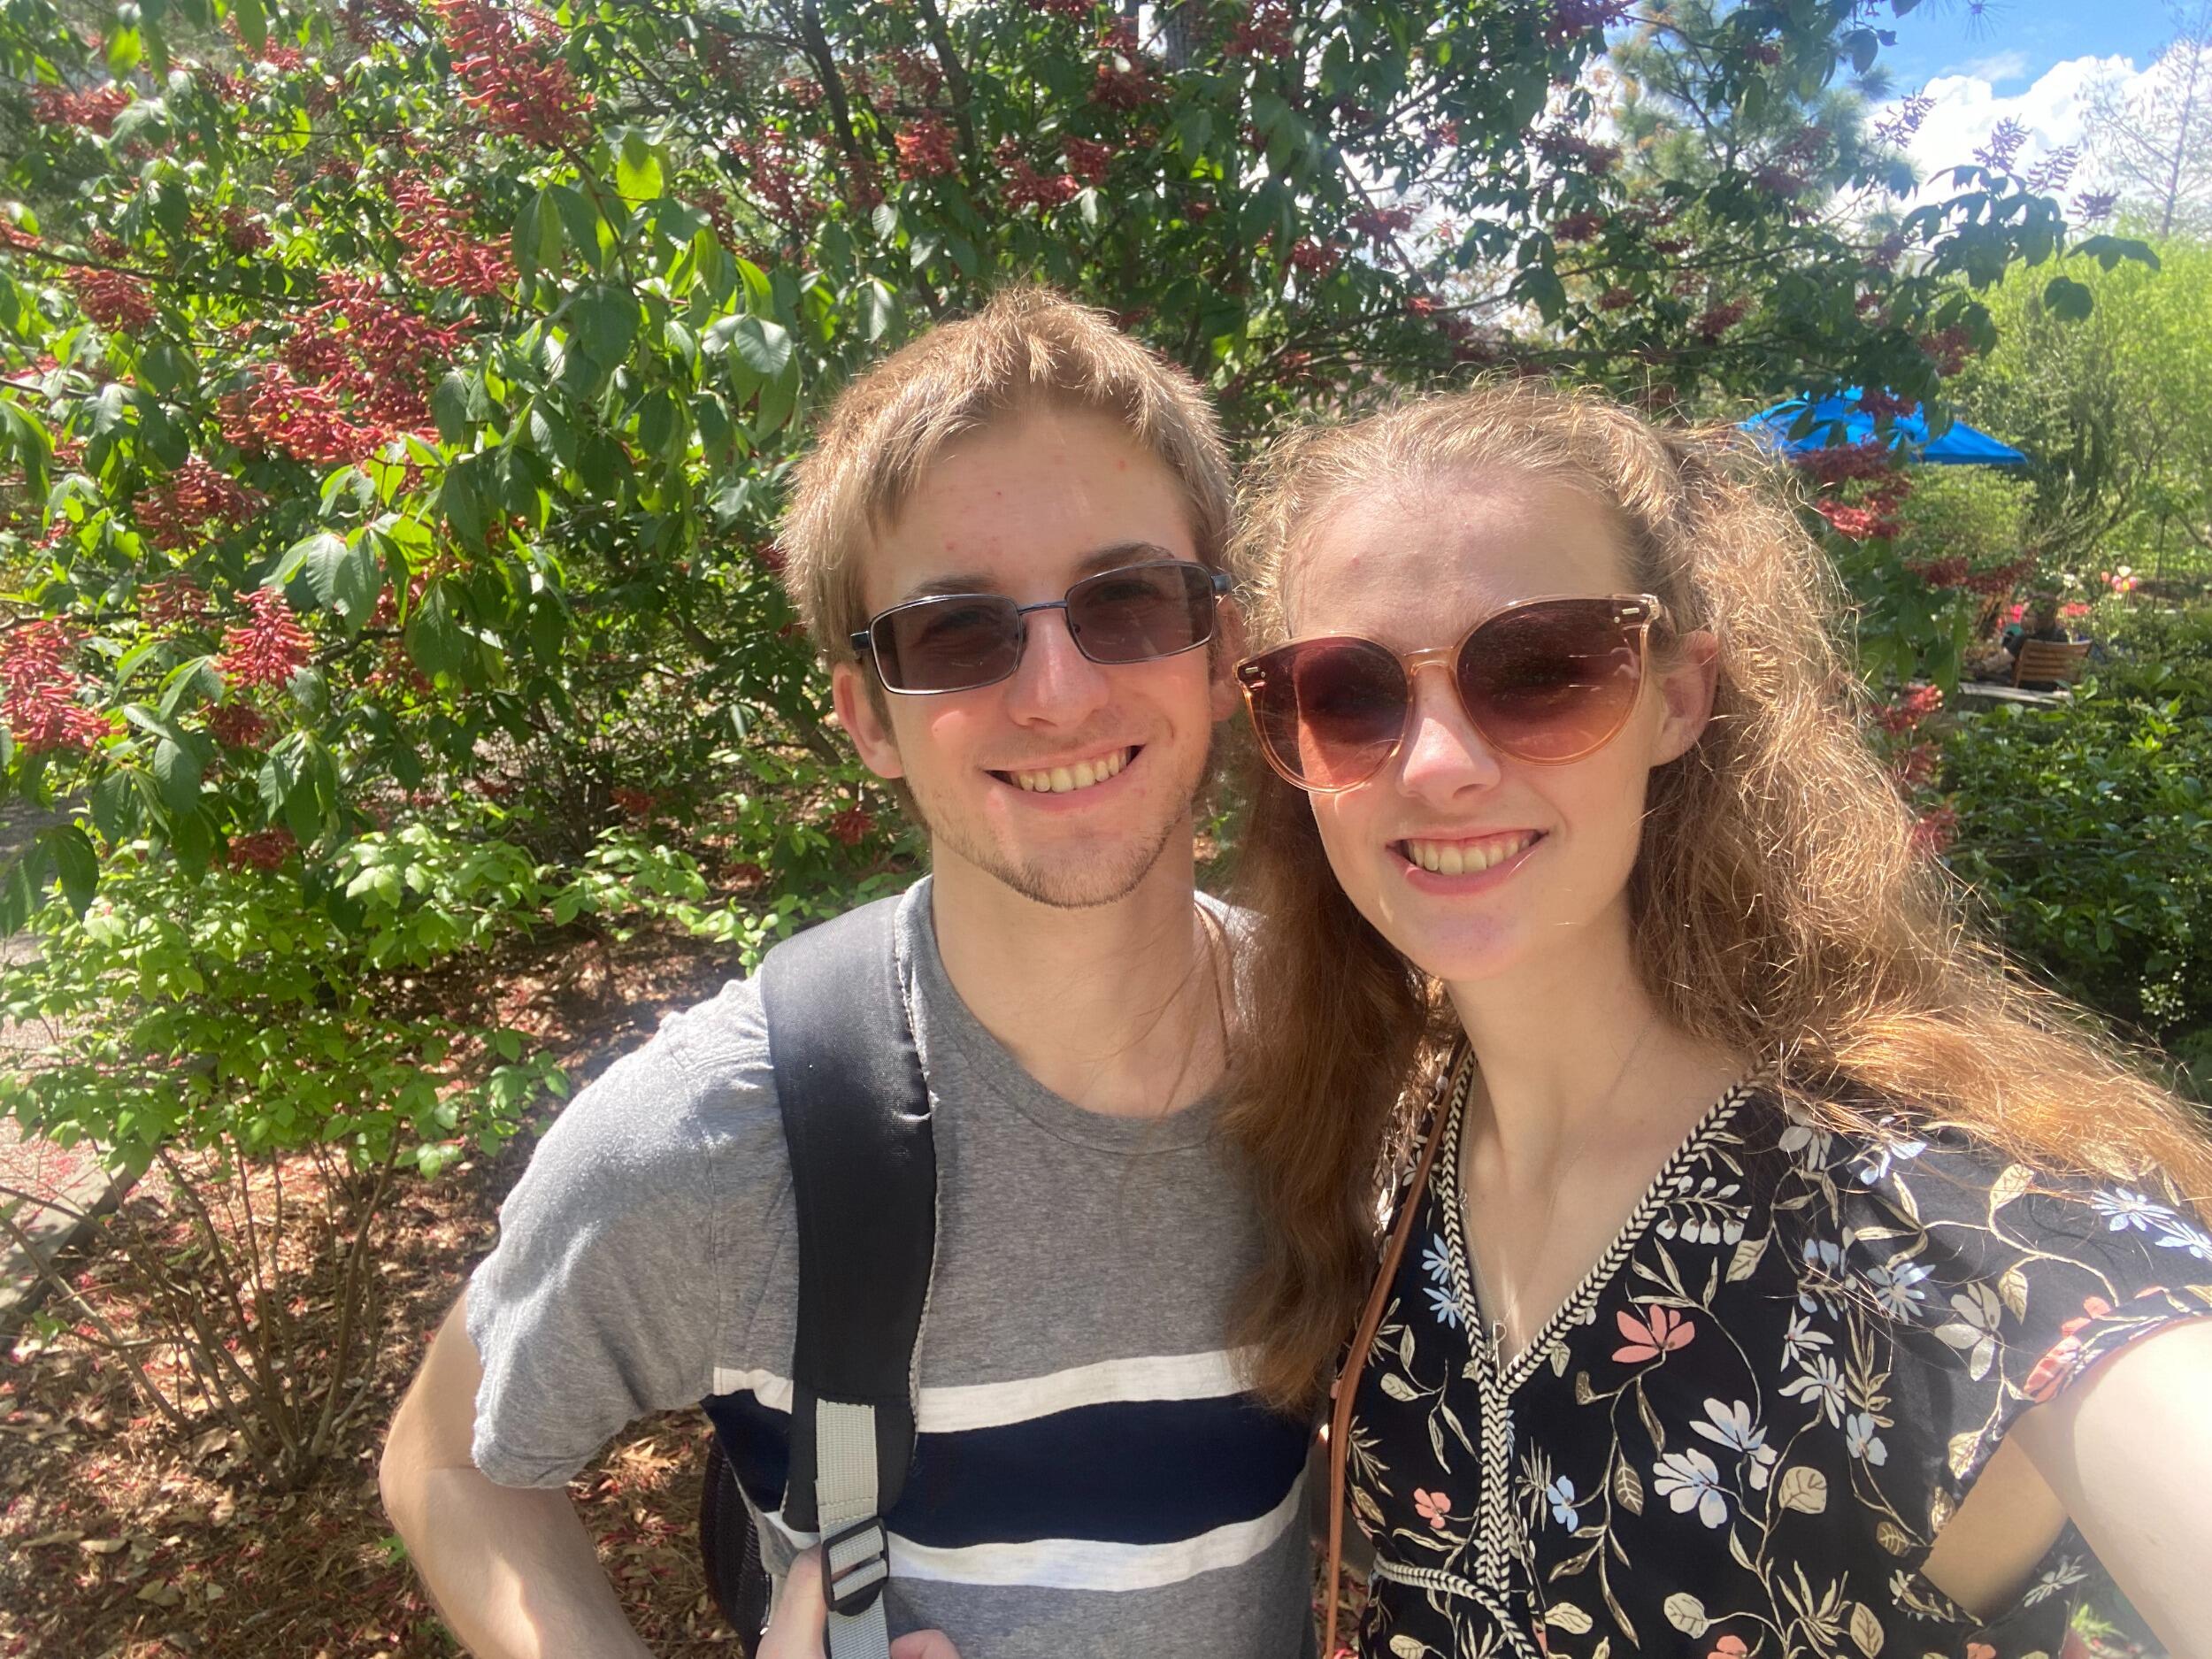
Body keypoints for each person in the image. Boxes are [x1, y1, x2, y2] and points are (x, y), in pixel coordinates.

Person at [377, 289, 1317, 1659]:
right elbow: (448, 1462)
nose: (1056, 691)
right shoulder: (723, 1137)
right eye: (957, 634)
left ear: (1224, 650)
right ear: (868, 715)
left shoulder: (1357, 1059)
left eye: (1127, 601)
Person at [1220, 382, 2212, 1659]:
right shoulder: (1378, 1134)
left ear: (1679, 699)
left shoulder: (1933, 1235)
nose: (1437, 763)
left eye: (1539, 669)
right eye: (1350, 693)